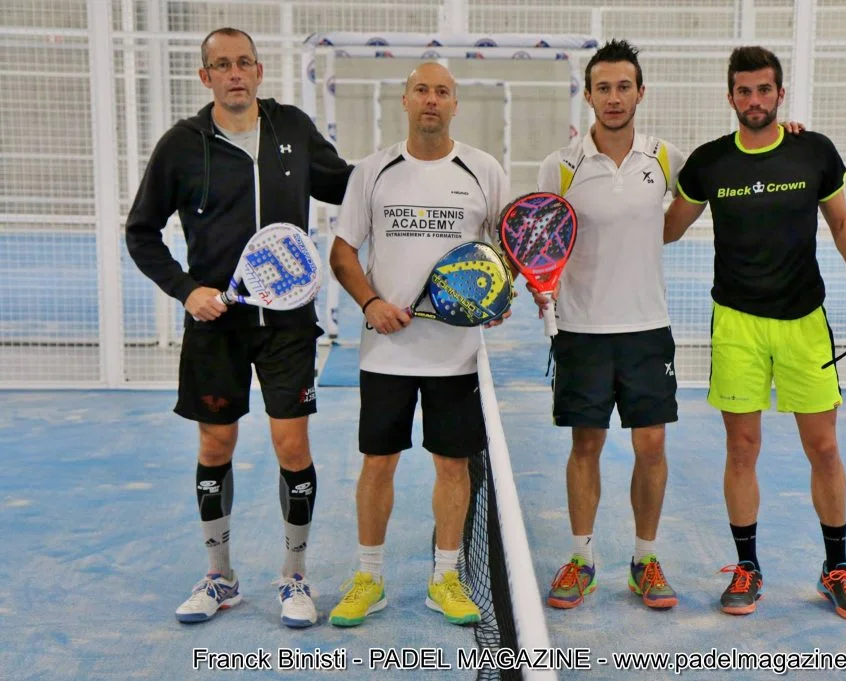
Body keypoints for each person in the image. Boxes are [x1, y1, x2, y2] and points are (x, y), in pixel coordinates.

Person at [125, 27, 354, 628]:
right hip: (216, 326)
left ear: (258, 71)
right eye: (221, 65)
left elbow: (349, 186)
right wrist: (186, 289)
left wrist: (409, 174)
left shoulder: (293, 130)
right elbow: (141, 231)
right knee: (214, 445)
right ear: (205, 77)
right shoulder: (181, 145)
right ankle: (219, 576)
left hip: (287, 326)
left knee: (292, 446)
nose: (234, 73)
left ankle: (294, 577)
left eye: (243, 63)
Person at [664, 45, 846, 622]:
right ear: (730, 96)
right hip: (736, 323)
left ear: (780, 94)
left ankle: (837, 568)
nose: (754, 101)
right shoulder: (709, 163)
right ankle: (747, 567)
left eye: (764, 90)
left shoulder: (815, 151)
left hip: (805, 320)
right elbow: (666, 229)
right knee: (742, 447)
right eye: (743, 91)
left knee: (824, 447)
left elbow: (841, 224)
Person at [327, 62, 511, 628]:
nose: (431, 100)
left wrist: (496, 297)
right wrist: (371, 304)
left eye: (442, 92)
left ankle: (447, 577)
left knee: (452, 466)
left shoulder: (484, 170)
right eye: (422, 90)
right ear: (404, 101)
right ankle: (368, 577)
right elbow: (342, 252)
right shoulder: (372, 170)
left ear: (456, 104)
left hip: (455, 355)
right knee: (377, 462)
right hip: (385, 354)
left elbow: (506, 251)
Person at [529, 40, 685, 611]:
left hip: (647, 327)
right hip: (582, 328)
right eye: (603, 88)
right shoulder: (561, 165)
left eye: (624, 87)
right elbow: (539, 239)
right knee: (586, 443)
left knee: (652, 444)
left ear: (640, 92)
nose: (614, 98)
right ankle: (581, 557)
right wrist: (539, 283)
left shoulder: (665, 157)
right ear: (589, 95)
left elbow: (693, 206)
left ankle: (645, 558)